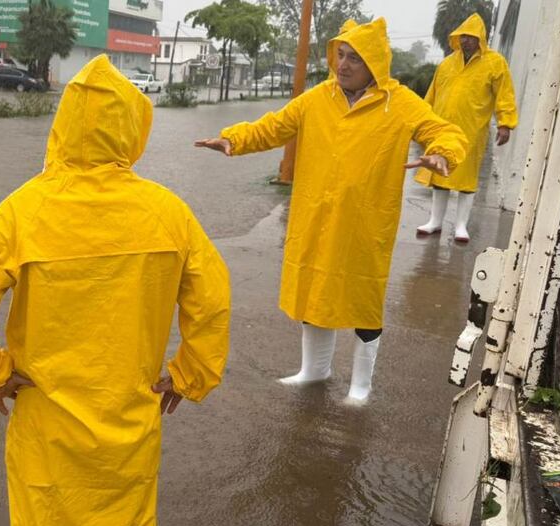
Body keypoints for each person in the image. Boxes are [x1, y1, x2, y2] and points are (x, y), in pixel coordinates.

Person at [0, 55, 231, 526]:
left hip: (45, 414)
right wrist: (189, 374)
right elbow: (212, 302)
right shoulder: (169, 214)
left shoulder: (22, 211)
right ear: (133, 126)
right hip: (132, 409)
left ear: (63, 123)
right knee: (128, 511)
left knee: (41, 517)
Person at [196, 18, 467, 404]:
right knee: (314, 293)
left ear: (373, 64)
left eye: (354, 58)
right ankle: (314, 370)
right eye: (340, 55)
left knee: (363, 300)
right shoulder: (317, 98)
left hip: (365, 222)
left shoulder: (400, 102)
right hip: (316, 216)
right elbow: (273, 127)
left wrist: (442, 153)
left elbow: (445, 131)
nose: (343, 64)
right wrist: (232, 139)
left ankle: (361, 385)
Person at [415, 13, 518, 243]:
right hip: (442, 130)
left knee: (466, 178)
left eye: (471, 37)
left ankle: (461, 225)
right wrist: (421, 119)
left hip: (472, 131)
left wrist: (505, 123)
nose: (466, 41)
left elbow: (505, 95)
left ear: (480, 38)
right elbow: (432, 93)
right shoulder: (447, 63)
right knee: (439, 174)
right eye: (463, 36)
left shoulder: (495, 62)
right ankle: (435, 221)